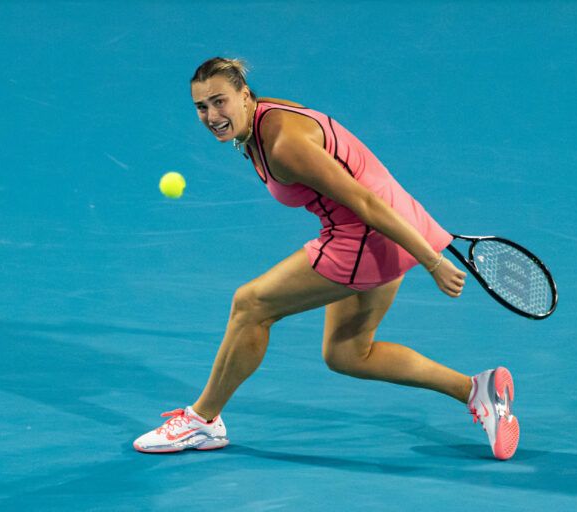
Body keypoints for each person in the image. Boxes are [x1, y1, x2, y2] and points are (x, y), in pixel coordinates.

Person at [133, 57, 520, 460]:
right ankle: (478, 391)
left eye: (219, 102)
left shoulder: (283, 146)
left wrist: (433, 261)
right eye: (201, 107)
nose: (212, 115)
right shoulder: (264, 115)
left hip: (367, 237)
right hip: (399, 219)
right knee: (349, 353)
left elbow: (363, 201)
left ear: (244, 95)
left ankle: (203, 421)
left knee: (251, 306)